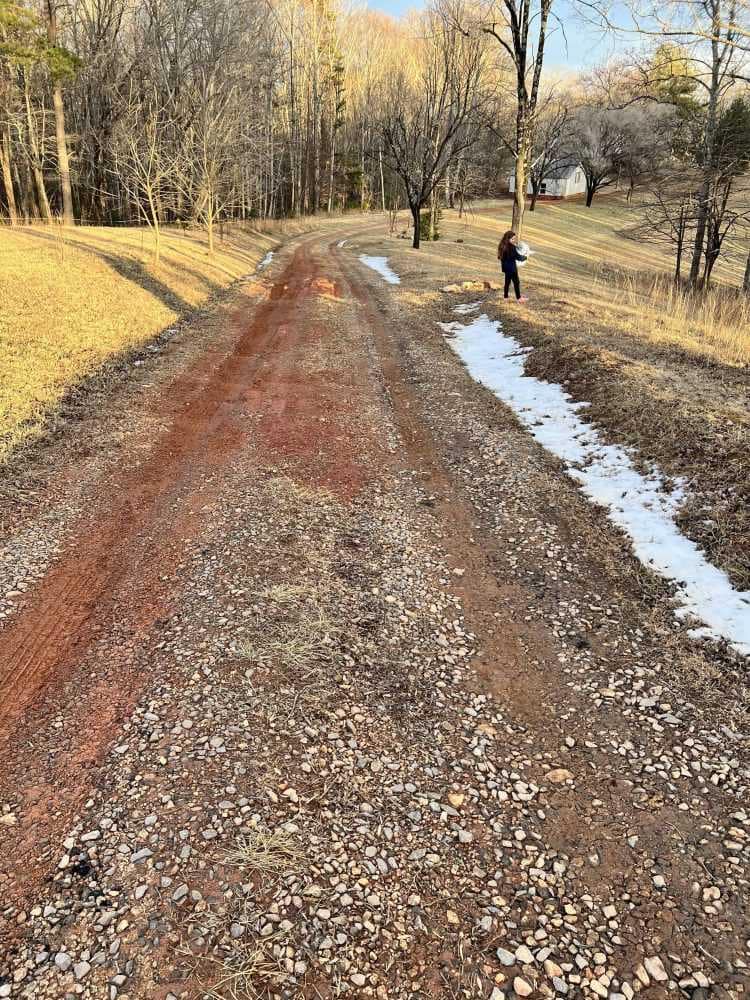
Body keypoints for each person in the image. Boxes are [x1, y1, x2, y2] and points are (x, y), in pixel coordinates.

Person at [498, 230, 528, 302]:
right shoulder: (511, 247)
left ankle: (505, 297)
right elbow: (517, 257)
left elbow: (500, 257)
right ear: (508, 238)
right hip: (512, 268)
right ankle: (519, 298)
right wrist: (525, 257)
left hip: (506, 268)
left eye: (514, 239)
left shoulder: (502, 246)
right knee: (516, 282)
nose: (514, 240)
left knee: (507, 282)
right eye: (512, 239)